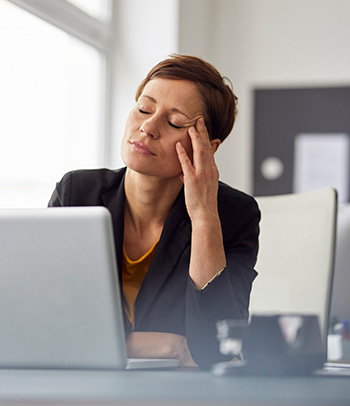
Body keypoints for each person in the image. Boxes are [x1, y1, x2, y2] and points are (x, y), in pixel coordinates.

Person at [48, 54, 260, 369]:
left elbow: (217, 348)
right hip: (82, 384)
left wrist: (204, 218)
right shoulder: (77, 193)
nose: (147, 127)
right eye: (144, 108)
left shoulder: (233, 215)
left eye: (174, 122)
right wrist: (170, 345)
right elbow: (51, 325)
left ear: (207, 147)